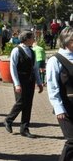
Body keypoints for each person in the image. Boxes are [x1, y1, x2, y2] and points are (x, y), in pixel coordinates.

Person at [4, 30, 44, 138]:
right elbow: (13, 68)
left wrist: (39, 83)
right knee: (21, 101)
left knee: (28, 104)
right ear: (26, 39)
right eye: (32, 38)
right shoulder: (16, 50)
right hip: (20, 80)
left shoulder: (32, 51)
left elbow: (35, 68)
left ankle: (24, 128)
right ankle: (8, 119)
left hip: (30, 80)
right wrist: (17, 83)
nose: (34, 40)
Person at [46, 27, 73, 161]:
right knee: (72, 141)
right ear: (67, 41)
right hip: (65, 108)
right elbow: (52, 87)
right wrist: (58, 108)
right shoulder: (55, 60)